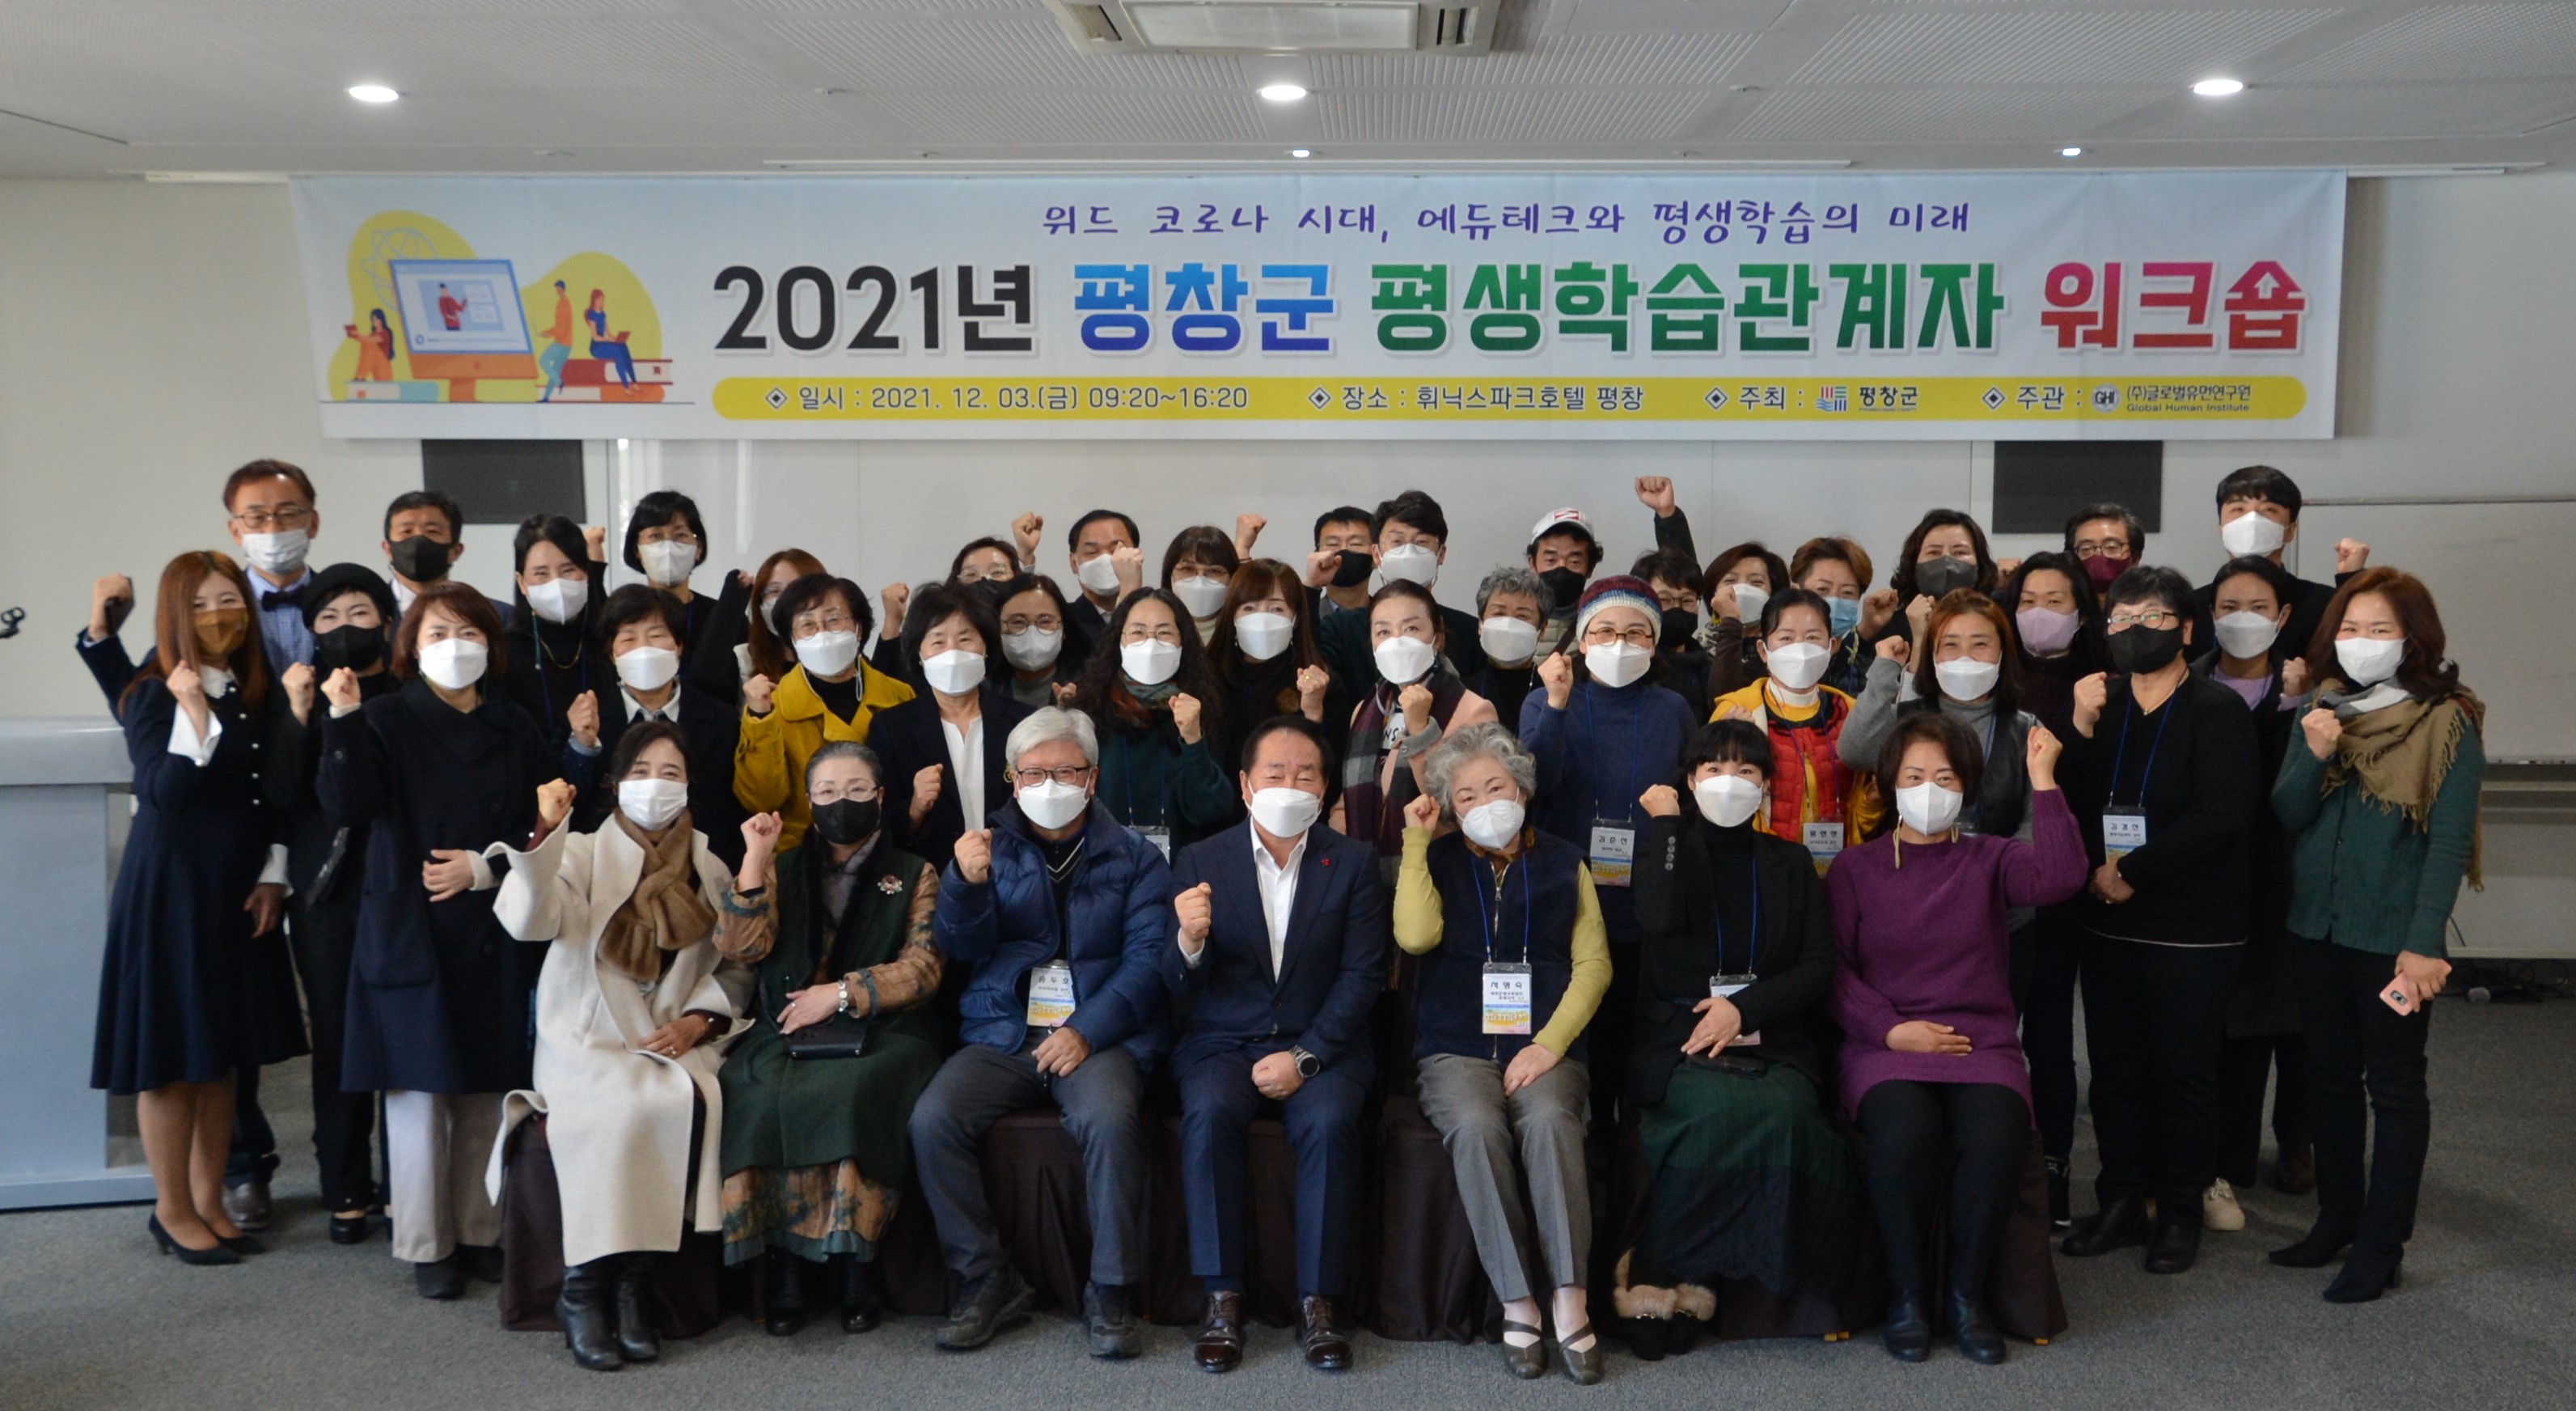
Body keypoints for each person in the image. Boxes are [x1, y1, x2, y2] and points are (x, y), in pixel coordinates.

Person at [76, 459, 324, 1232]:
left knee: (223, 1061)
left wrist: (275, 872)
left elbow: (271, 794)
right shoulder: (153, 691)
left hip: (238, 891)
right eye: (202, 604)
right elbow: (166, 792)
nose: (220, 615)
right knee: (170, 1064)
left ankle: (211, 1200)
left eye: (229, 602)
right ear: (175, 615)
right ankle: (172, 1208)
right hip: (171, 892)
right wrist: (190, 715)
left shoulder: (252, 691)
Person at [485, 726, 753, 1371]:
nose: (655, 784)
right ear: (616, 783)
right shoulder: (580, 852)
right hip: (588, 1039)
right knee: (616, 1110)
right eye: (641, 771)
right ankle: (583, 1290)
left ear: (689, 787)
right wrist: (546, 832)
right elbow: (528, 921)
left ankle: (633, 1285)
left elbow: (736, 967)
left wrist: (699, 1021)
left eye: (671, 772)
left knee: (676, 1100)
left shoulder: (710, 866)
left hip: (670, 1037)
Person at [909, 709, 1171, 1358]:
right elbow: (961, 948)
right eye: (1033, 773)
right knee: (932, 1120)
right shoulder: (988, 848)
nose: (1048, 784)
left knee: (1109, 1120)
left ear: (1092, 777)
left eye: (1065, 771)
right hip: (1004, 1030)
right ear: (1012, 778)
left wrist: (1084, 1031)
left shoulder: (1136, 856)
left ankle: (1111, 1289)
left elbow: (1148, 964)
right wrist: (962, 885)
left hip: (1099, 1034)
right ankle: (986, 1277)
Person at [318, 581, 552, 1299]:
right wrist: (342, 718)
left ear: (492, 644)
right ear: (411, 649)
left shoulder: (513, 722)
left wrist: (486, 867)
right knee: (419, 1096)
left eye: (469, 632)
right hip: (410, 925)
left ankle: (480, 1231)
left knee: (487, 1089)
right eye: (438, 634)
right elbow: (349, 803)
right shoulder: (384, 716)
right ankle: (426, 1242)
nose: (455, 647)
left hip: (492, 919)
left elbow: (540, 823)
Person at [1830, 713, 2084, 1363]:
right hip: (1886, 1044)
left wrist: (2042, 779)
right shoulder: (1854, 868)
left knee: (1997, 1134)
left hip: (1980, 1042)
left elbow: (2060, 878)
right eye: (1914, 776)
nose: (1928, 790)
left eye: (1944, 778)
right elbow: (1835, 972)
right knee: (1903, 1134)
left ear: (1967, 786)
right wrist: (1890, 1030)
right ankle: (1908, 1294)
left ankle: (1967, 1295)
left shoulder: (1989, 856)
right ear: (1889, 783)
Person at [2269, 568, 2484, 1303]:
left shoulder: (2445, 720)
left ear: (2412, 639)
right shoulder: (2323, 708)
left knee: (2393, 1087)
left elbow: (2446, 844)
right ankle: (2336, 1218)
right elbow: (2288, 812)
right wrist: (2313, 752)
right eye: (2350, 629)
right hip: (2314, 927)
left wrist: (2424, 945)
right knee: (2325, 1078)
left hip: (2393, 942)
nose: (2360, 642)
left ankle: (2381, 1243)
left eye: (2379, 630)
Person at [1619, 720, 1860, 1358]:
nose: (1729, 782)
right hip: (1679, 1037)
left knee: (1785, 1114)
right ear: (1690, 780)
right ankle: (1665, 1273)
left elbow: (1817, 964)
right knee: (1714, 1113)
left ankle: (1680, 1268)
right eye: (1713, 770)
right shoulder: (1668, 846)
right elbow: (1657, 917)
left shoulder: (1788, 862)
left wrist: (1743, 1010)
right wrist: (1666, 825)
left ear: (1764, 786)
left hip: (1769, 1036)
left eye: (1746, 772)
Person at [1166, 716, 1390, 1373]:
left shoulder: (1352, 862)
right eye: (1274, 773)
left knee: (1329, 1122)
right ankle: (1221, 1298)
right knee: (1208, 1114)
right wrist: (1188, 941)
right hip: (1223, 1039)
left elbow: (1363, 977)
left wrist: (1305, 1057)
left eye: (1305, 774)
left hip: (1322, 1042)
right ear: (1244, 785)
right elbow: (1175, 982)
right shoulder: (1200, 860)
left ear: (1324, 788)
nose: (1290, 785)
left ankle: (1319, 1303)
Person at [2057, 566, 2260, 1277]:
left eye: (2150, 617)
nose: (2132, 630)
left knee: (2183, 1072)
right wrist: (2078, 728)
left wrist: (2132, 872)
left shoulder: (2215, 708)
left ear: (2185, 628)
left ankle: (2178, 1210)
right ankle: (2120, 1200)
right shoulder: (2100, 702)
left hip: (2191, 926)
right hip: (2107, 920)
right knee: (2113, 1070)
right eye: (2120, 618)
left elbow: (2221, 815)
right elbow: (2069, 802)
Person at [1395, 723, 1609, 1384]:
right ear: (1449, 807)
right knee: (1475, 1126)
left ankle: (1569, 1298)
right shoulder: (1436, 859)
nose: (1484, 803)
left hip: (1546, 1045)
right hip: (1455, 1047)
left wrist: (1548, 1045)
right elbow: (1414, 937)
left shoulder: (1565, 861)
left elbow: (1593, 965)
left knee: (1548, 1122)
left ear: (1520, 788)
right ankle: (1518, 1300)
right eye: (1465, 796)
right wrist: (1415, 842)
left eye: (1495, 787)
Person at [713, 743, 945, 1337]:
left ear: (881, 797)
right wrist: (754, 859)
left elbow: (923, 968)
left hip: (885, 1027)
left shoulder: (914, 872)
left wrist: (842, 993)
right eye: (827, 792)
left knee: (852, 1091)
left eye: (857, 790)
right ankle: (784, 1265)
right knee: (751, 1087)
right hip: (787, 1025)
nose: (842, 802)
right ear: (810, 801)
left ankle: (855, 1264)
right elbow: (740, 949)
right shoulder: (783, 866)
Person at [1519, 576, 1701, 1142]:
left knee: (1626, 1021)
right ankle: (1574, 1127)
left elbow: (1688, 793)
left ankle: (1616, 1139)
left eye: (1635, 633)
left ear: (1654, 642)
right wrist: (1556, 704)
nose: (1619, 644)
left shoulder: (1672, 708)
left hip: (1642, 892)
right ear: (1581, 639)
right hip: (1565, 888)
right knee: (1571, 1017)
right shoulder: (1545, 699)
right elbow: (1534, 786)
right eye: (1604, 631)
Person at [274, 564, 404, 1243]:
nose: (344, 629)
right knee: (338, 1041)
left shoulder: (412, 692)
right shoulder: (304, 697)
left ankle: (408, 1184)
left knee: (404, 1036)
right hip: (326, 894)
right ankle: (346, 1186)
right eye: (328, 619)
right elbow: (281, 795)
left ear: (386, 620)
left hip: (400, 887)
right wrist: (299, 716)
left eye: (359, 614)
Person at [2197, 555, 2318, 1229]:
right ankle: (2229, 1157)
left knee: (2295, 1017)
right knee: (2231, 1024)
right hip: (2211, 876)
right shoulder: (2190, 682)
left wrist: (2295, 707)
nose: (2241, 619)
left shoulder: (2305, 692)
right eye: (2227, 607)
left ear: (2282, 616)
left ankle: (2297, 1140)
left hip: (2286, 874)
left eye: (2257, 607)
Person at [1838, 591, 2040, 845]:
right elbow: (1854, 752)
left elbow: (2036, 820)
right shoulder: (1907, 719)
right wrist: (1885, 670)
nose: (1965, 656)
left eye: (1980, 644)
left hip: (1998, 864)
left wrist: (2003, 862)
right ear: (1932, 654)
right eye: (1950, 645)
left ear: (2002, 652)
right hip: (1908, 861)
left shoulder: (2026, 731)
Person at [734, 573, 916, 851]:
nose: (822, 633)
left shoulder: (899, 696)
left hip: (889, 850)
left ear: (858, 628)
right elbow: (761, 800)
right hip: (802, 855)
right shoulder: (773, 706)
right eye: (807, 625)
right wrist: (760, 720)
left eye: (833, 620)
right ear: (791, 639)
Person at [1708, 589, 1883, 872]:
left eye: (1812, 638)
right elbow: (1714, 806)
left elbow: (1861, 816)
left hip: (1837, 870)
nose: (1800, 649)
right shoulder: (1737, 712)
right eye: (1786, 638)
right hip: (1760, 870)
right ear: (1764, 651)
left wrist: (1873, 801)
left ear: (1832, 646)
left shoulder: (1850, 713)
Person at [870, 583, 1038, 875]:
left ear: (986, 648)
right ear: (919, 655)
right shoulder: (892, 728)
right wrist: (915, 808)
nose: (953, 652)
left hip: (1014, 875)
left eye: (965, 639)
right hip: (930, 880)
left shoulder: (1023, 721)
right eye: (938, 642)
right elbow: (879, 826)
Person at [582, 584, 745, 870]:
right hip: (612, 870)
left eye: (656, 636)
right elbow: (576, 800)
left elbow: (731, 808)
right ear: (612, 654)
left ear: (679, 646)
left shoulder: (722, 719)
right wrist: (582, 746)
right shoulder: (589, 719)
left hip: (703, 869)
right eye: (629, 638)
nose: (644, 649)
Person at [1339, 580, 1498, 872]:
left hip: (1436, 869)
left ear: (1437, 638)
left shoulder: (1473, 710)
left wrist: (1421, 730)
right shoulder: (1366, 708)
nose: (1397, 642)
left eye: (1411, 628)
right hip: (1365, 872)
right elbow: (1346, 801)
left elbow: (1462, 807)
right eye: (1383, 632)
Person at [1072, 587, 1236, 856]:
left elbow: (1210, 809)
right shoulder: (1090, 711)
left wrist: (1193, 740)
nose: (1151, 644)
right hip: (1105, 864)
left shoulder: (1202, 710)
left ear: (1183, 643)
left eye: (1164, 633)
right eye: (1138, 632)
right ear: (1118, 641)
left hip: (1180, 867)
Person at [2190, 465, 2371, 656]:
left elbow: (2361, 654)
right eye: (2238, 509)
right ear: (2221, 528)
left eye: (2269, 509)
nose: (2252, 519)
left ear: (2290, 531)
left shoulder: (2323, 603)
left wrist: (2352, 580)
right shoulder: (2191, 606)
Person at [1312, 490, 1486, 688]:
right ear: (1376, 554)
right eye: (1397, 541)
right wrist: (1311, 587)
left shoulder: (1468, 632)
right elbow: (1311, 674)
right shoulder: (1342, 629)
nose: (1409, 551)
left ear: (1441, 554)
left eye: (1421, 542)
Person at [501, 514, 614, 785]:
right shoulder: (505, 653)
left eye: (568, 569)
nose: (557, 583)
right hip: (533, 795)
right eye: (541, 573)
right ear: (522, 582)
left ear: (587, 573)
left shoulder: (609, 643)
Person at [1206, 557, 1335, 774]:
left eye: (1276, 609)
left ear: (1295, 618)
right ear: (1233, 616)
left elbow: (1331, 769)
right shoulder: (1209, 679)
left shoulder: (1318, 682)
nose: (1263, 619)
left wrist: (1314, 714)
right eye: (1249, 608)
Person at [2001, 551, 2111, 744]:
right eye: (2028, 601)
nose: (2038, 612)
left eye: (2054, 601)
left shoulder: (2100, 683)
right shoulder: (1999, 676)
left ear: (2082, 614)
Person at [1866, 509, 1999, 659]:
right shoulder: (1892, 628)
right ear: (1914, 563)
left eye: (1960, 552)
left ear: (1979, 562)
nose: (1946, 561)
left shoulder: (1996, 621)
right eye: (1934, 553)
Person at [381, 489, 513, 627]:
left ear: (456, 551)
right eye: (406, 531)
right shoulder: (370, 613)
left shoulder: (499, 617)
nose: (419, 539)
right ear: (388, 549)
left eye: (432, 531)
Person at [709, 547, 827, 698]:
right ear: (760, 601)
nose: (784, 600)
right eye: (774, 591)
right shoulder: (743, 660)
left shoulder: (840, 655)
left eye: (796, 589)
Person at [1692, 540, 1790, 706]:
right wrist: (1730, 623)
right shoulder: (1698, 647)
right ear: (1714, 593)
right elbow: (1719, 702)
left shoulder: (1781, 645)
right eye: (1730, 581)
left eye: (1756, 582)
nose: (1743, 589)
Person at [624, 489, 721, 646]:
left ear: (698, 548)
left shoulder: (722, 616)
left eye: (680, 535)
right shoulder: (623, 616)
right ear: (637, 550)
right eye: (656, 536)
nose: (668, 547)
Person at [1462, 566, 1548, 734]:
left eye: (1522, 616)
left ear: (1542, 630)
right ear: (1480, 624)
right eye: (1498, 614)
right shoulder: (1460, 692)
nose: (1508, 625)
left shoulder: (1552, 694)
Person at [1632, 548, 1713, 721]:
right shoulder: (1631, 668)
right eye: (1664, 599)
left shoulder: (1707, 668)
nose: (1677, 608)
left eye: (1687, 600)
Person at [1062, 508, 1146, 665]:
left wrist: (1131, 594)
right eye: (1092, 552)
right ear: (1074, 563)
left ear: (1137, 555)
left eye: (1116, 550)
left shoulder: (1161, 614)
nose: (1105, 559)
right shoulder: (1063, 620)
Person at [994, 573, 1079, 707]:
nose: (1032, 632)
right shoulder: (982, 691)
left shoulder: (1090, 687)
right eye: (1018, 622)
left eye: (1045, 621)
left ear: (1064, 629)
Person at [1526, 507, 1602, 655]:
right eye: (1551, 560)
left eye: (1574, 561)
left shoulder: (1602, 624)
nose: (1561, 568)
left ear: (1590, 568)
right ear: (1532, 563)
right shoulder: (1515, 619)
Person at [1161, 525, 1241, 646]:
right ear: (1170, 574)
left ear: (1232, 578)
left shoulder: (1243, 636)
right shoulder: (1154, 631)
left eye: (1214, 571)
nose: (1200, 582)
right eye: (1188, 569)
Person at [1301, 504, 1378, 622]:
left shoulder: (1390, 617)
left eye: (1356, 544)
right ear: (1317, 554)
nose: (1343, 551)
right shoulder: (1303, 618)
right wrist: (1311, 586)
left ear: (1376, 556)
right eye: (1332, 544)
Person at [2063, 502, 2146, 599]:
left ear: (2135, 558)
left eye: (2111, 547)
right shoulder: (2057, 605)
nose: (2098, 556)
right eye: (2086, 548)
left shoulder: (2152, 605)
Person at [586, 289, 637, 388]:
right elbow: (595, 337)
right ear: (594, 300)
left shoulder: (603, 314)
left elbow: (608, 334)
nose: (601, 302)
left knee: (623, 346)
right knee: (617, 352)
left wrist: (617, 339)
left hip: (604, 343)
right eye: (599, 299)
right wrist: (608, 340)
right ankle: (626, 386)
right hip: (596, 348)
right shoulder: (591, 314)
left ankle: (634, 381)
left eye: (602, 299)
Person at [539, 281, 573, 400]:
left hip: (561, 344)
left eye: (559, 289)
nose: (558, 291)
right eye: (557, 289)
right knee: (554, 372)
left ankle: (559, 382)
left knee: (543, 361)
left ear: (563, 289)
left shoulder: (563, 304)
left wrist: (548, 334)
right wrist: (547, 332)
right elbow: (559, 326)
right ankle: (546, 398)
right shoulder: (564, 303)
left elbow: (561, 329)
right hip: (567, 345)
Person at [350, 308, 397, 383]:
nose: (375, 322)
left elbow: (373, 340)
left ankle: (361, 376)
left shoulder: (386, 332)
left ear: (382, 320)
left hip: (383, 367)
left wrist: (358, 334)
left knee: (369, 344)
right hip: (375, 367)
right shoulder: (372, 334)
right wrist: (354, 335)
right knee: (366, 344)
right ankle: (360, 376)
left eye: (377, 319)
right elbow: (366, 340)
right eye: (374, 320)